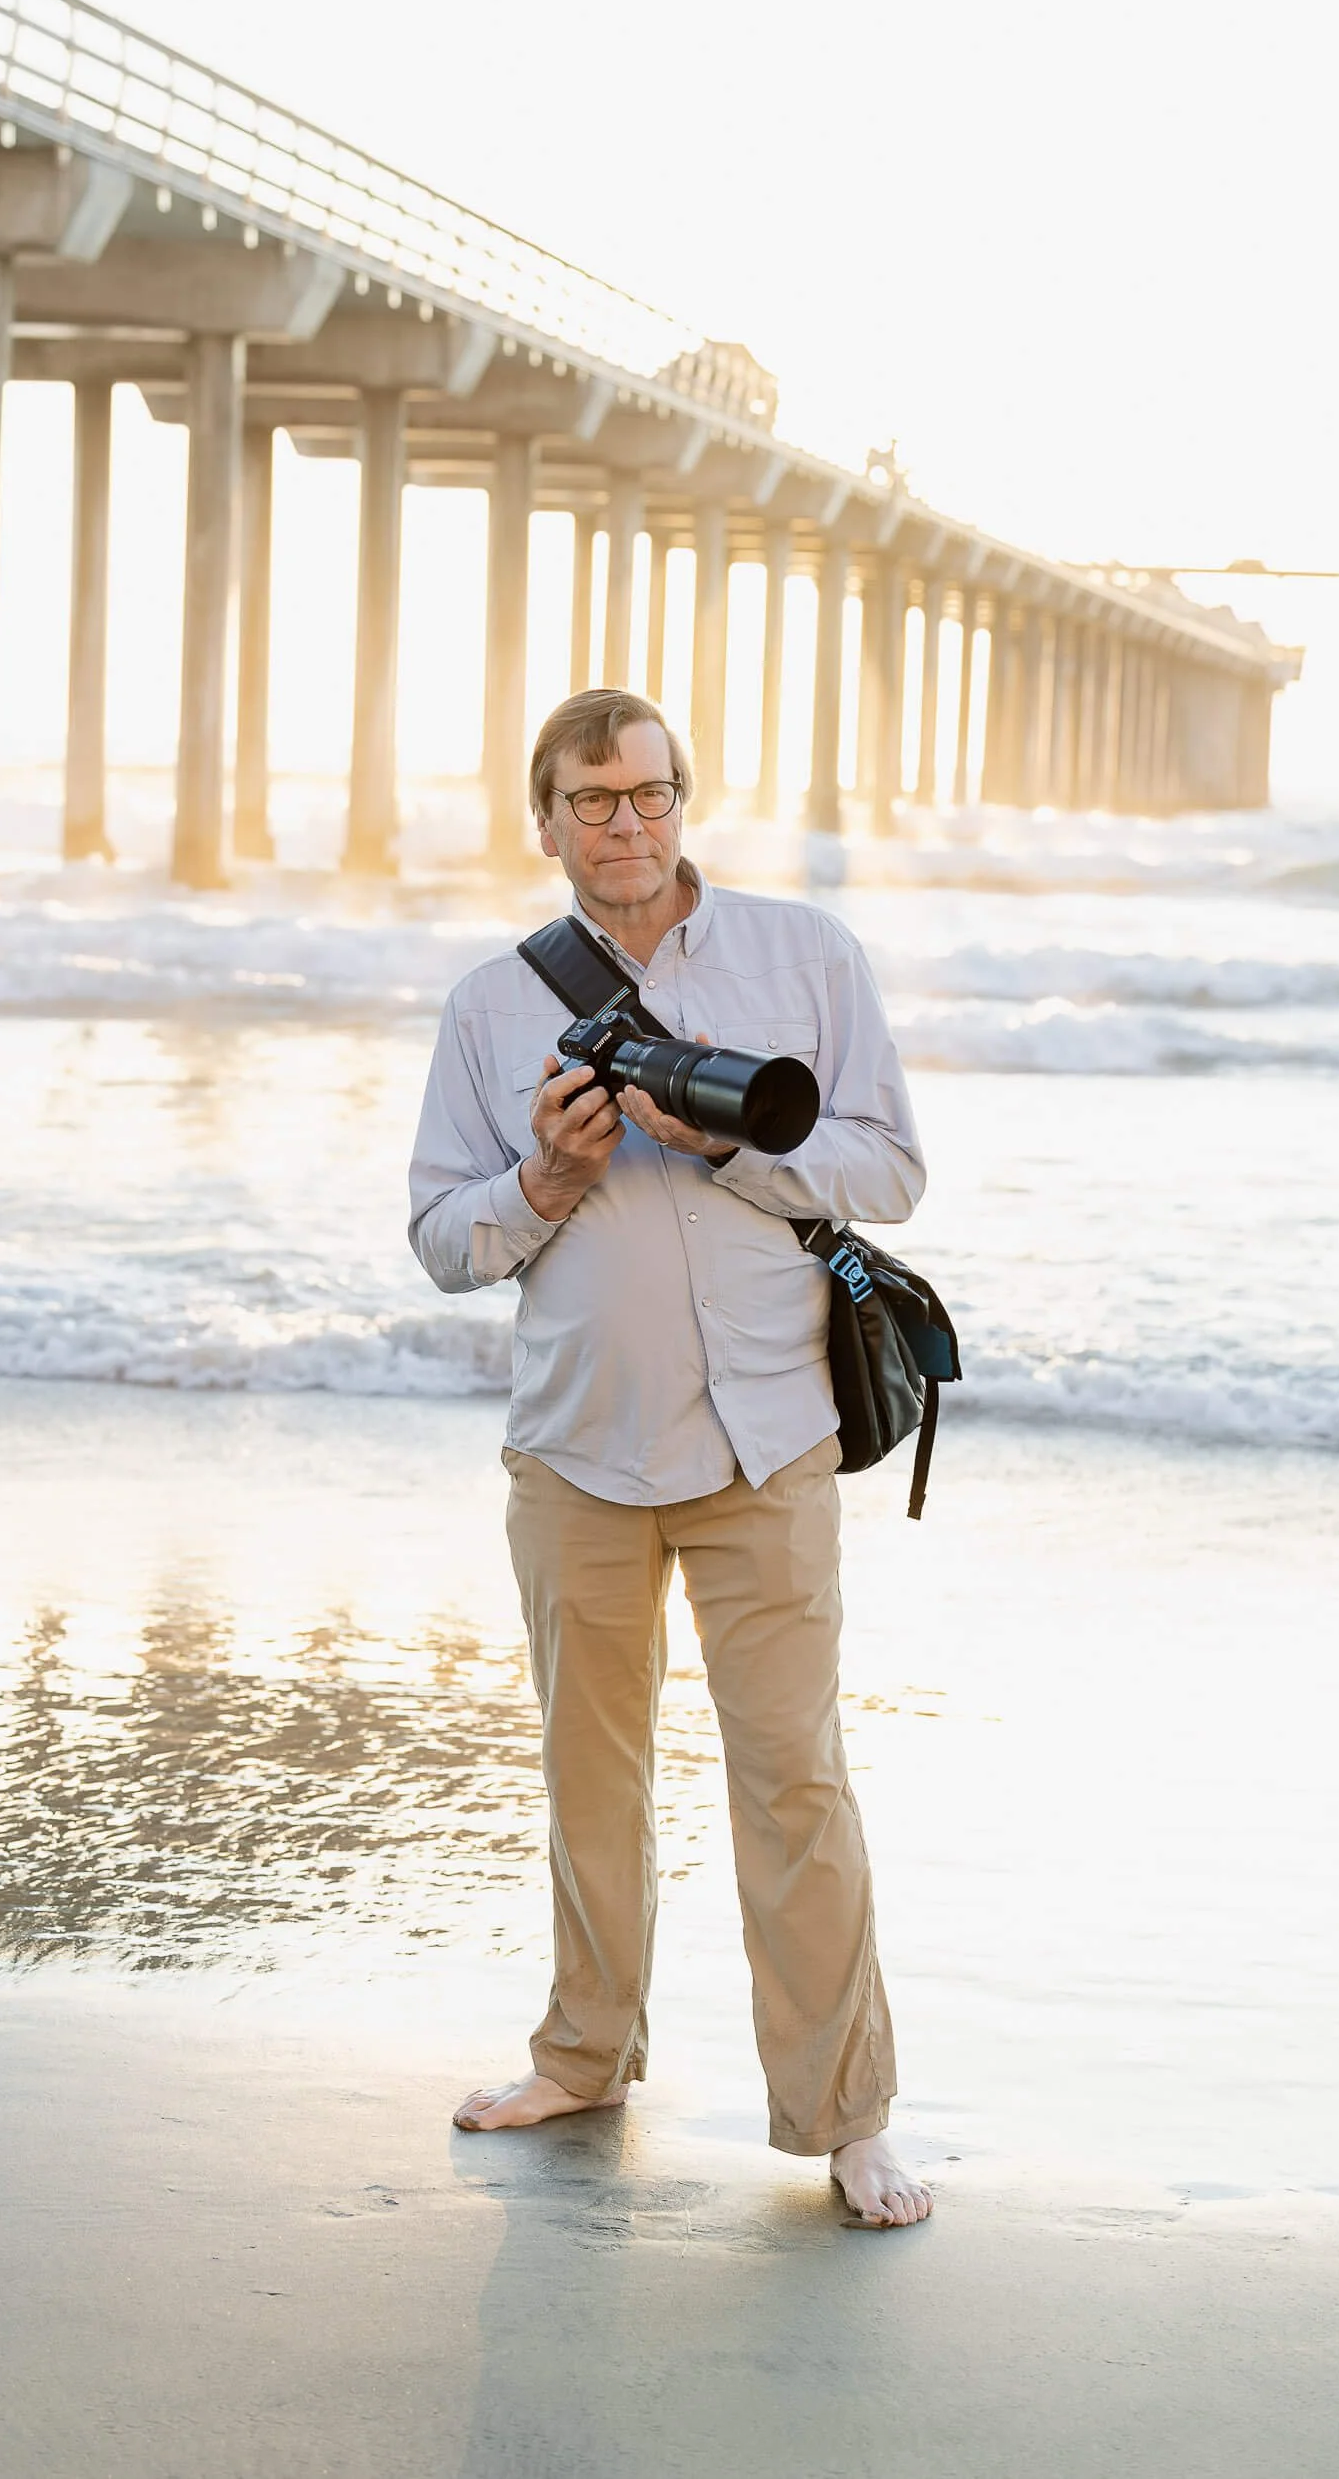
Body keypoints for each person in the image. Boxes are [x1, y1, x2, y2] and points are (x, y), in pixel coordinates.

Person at [407, 688, 932, 2228]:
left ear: (682, 801)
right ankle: (582, 2055)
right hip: (575, 1448)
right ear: (545, 818)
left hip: (769, 1436)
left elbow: (893, 1168)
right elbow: (444, 1238)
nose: (621, 825)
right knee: (589, 1775)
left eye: (645, 796)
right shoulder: (491, 1006)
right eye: (589, 801)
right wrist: (545, 1174)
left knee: (794, 1785)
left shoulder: (804, 958)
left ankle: (845, 2120)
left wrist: (733, 1144)